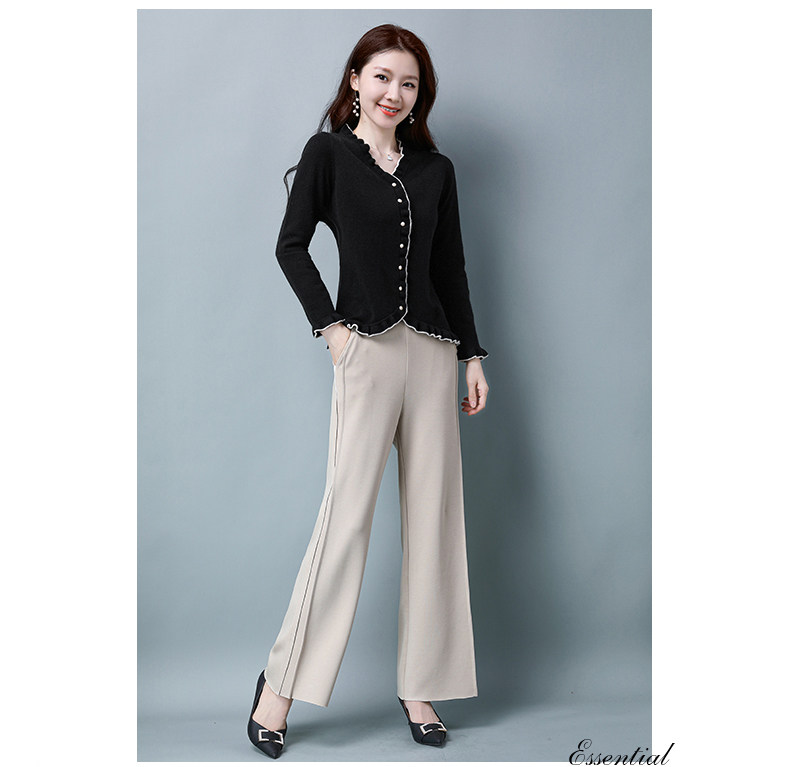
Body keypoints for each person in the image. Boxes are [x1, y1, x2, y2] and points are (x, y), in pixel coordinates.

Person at [246, 23, 490, 759]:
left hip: (435, 353)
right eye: (382, 77)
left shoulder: (435, 170)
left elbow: (450, 268)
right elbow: (290, 246)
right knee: (346, 519)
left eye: (409, 83)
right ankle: (280, 685)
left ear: (419, 95)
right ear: (355, 80)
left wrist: (472, 355)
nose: (395, 93)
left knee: (435, 523)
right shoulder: (328, 156)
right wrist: (332, 331)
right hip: (368, 351)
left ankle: (421, 685)